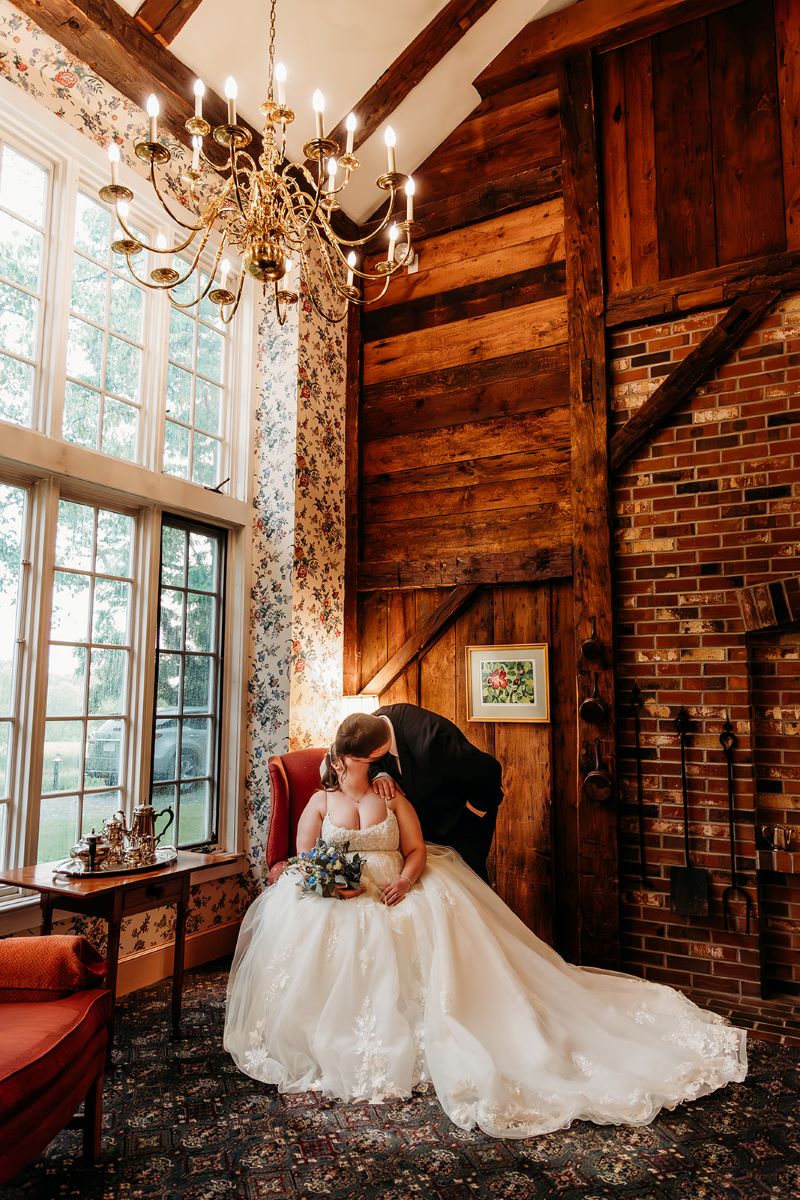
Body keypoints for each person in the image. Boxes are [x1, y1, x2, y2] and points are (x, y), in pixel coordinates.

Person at [224, 718, 747, 1139]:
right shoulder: (320, 801)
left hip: (397, 888)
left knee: (432, 938)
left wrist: (406, 883)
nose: (371, 767)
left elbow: (414, 852)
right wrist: (328, 883)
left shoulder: (391, 793)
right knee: (328, 938)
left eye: (375, 762)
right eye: (362, 761)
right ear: (340, 761)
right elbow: (304, 855)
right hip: (340, 893)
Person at [330, 705, 504, 881]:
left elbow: (489, 769)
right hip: (424, 822)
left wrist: (474, 808)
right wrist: (379, 774)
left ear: (377, 752)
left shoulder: (432, 741)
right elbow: (369, 762)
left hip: (462, 818)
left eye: (360, 761)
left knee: (470, 881)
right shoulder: (371, 726)